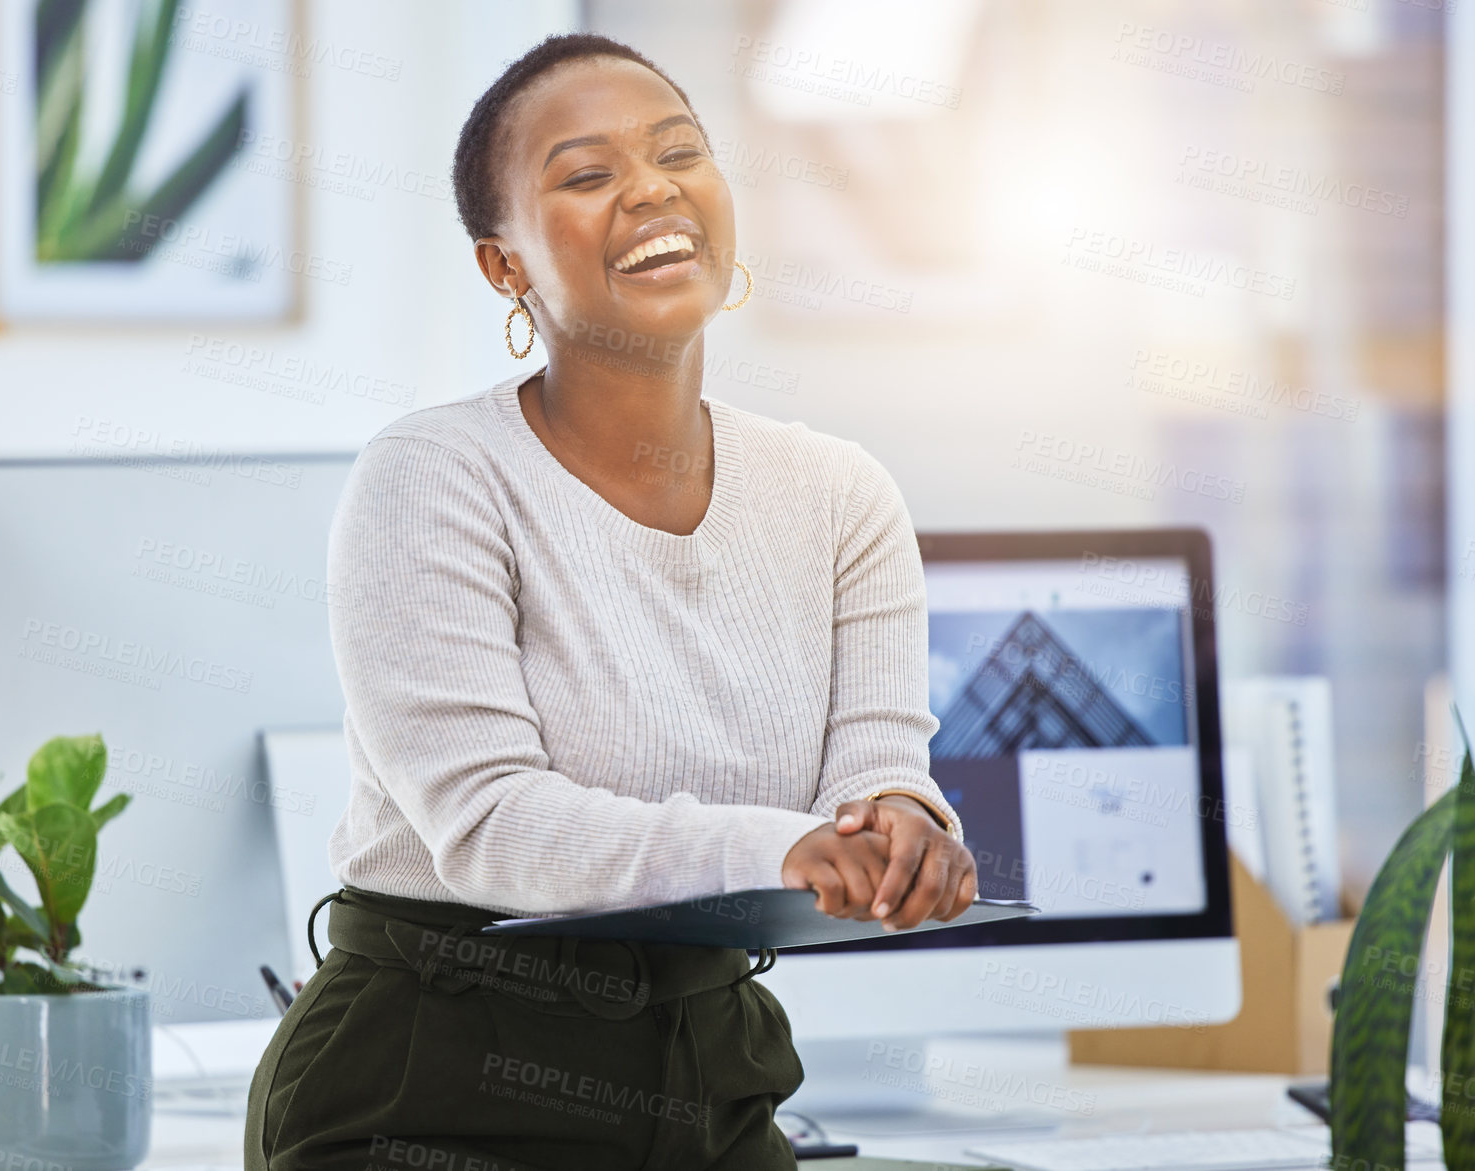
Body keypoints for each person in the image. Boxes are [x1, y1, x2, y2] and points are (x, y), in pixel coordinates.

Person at [244, 32, 976, 1171]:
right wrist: (793, 849)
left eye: (679, 152)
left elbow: (874, 766)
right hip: (434, 1074)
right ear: (505, 266)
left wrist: (902, 829)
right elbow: (488, 824)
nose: (650, 188)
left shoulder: (840, 493)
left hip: (710, 1064)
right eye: (585, 176)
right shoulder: (432, 476)